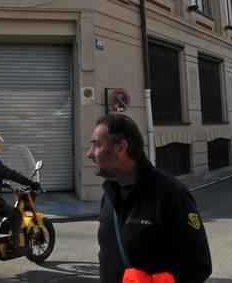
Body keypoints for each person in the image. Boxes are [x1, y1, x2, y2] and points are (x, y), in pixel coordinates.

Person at [89, 114, 211, 283]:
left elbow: (199, 266)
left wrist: (154, 281)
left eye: (97, 145)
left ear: (121, 148)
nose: (90, 153)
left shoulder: (170, 194)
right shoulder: (109, 194)